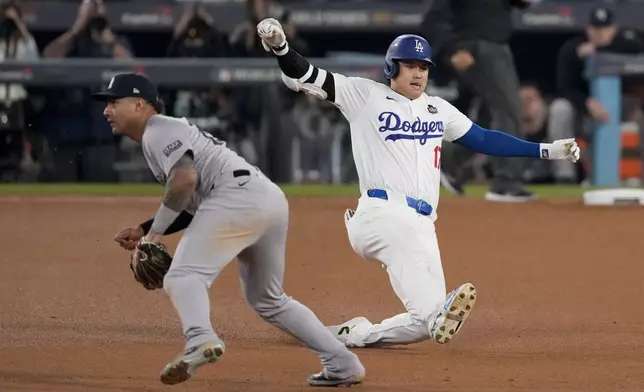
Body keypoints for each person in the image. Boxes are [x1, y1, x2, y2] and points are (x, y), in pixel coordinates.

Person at [257, 19, 579, 349]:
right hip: (380, 215)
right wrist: (281, 47)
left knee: (428, 321)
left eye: (423, 67)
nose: (417, 73)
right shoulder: (364, 95)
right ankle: (421, 316)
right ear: (390, 67)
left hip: (423, 225)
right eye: (409, 65)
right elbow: (305, 75)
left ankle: (353, 334)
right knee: (436, 312)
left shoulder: (437, 109)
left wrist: (543, 149)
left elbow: (483, 138)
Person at [92, 73, 365, 387]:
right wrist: (145, 229)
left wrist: (154, 237)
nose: (106, 110)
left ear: (139, 103)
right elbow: (192, 203)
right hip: (267, 198)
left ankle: (200, 339)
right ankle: (342, 362)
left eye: (113, 102)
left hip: (235, 197)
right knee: (268, 299)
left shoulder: (157, 129)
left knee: (183, 276)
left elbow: (184, 181)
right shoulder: (162, 133)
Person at [422, 0, 536, 202]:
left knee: (488, 118)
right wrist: (451, 49)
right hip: (476, 47)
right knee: (509, 111)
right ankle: (505, 182)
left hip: (496, 45)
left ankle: (448, 161)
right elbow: (433, 18)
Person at [550, 7, 644, 183]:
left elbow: (637, 50)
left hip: (620, 106)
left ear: (614, 29)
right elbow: (564, 87)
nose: (600, 33)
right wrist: (586, 102)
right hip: (583, 109)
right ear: (588, 29)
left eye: (605, 29)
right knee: (559, 109)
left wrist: (603, 52)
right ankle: (565, 176)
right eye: (595, 29)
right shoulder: (573, 49)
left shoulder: (627, 43)